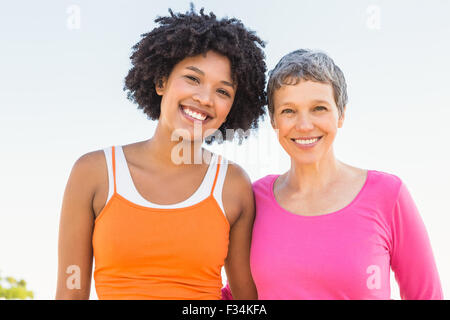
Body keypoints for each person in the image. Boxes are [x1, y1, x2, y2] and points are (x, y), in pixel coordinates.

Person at [55, 6, 267, 300]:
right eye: (193, 79)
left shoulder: (233, 185)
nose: (204, 98)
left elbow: (247, 302)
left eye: (223, 91)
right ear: (161, 82)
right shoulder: (93, 172)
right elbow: (69, 293)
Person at [223, 49, 443, 300]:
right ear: (273, 120)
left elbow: (427, 295)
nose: (304, 125)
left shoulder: (388, 195)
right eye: (288, 111)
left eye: (319, 108)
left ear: (341, 114)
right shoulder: (255, 199)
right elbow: (237, 296)